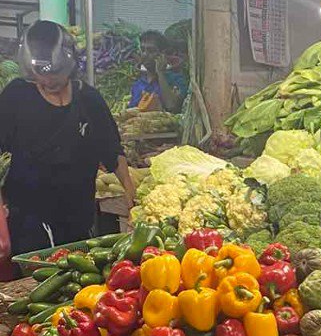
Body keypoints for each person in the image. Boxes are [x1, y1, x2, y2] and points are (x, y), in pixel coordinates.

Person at [0, 20, 136, 255]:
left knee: (75, 275)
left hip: (78, 214)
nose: (48, 80)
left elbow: (112, 149)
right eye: (41, 75)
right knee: (37, 280)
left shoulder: (89, 99)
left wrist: (129, 191)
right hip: (30, 217)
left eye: (56, 73)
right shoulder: (17, 96)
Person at [129, 30, 187, 113]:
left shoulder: (176, 79)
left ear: (163, 55)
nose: (145, 54)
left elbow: (171, 106)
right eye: (143, 50)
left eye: (151, 51)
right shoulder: (138, 84)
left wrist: (160, 73)